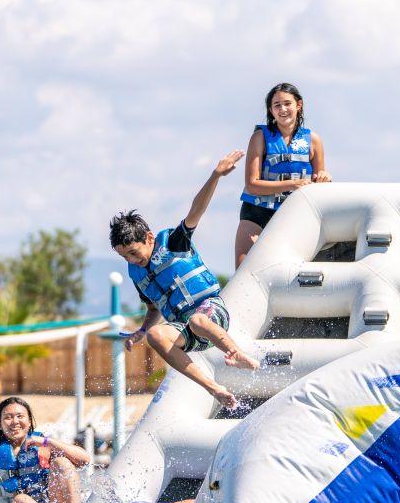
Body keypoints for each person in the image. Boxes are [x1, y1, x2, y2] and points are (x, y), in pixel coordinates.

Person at [110, 150, 259, 410]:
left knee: (198, 319)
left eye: (133, 253)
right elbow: (153, 308)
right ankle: (214, 389)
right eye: (125, 258)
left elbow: (196, 209)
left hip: (212, 314)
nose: (132, 261)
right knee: (157, 336)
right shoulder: (137, 273)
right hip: (187, 329)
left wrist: (216, 175)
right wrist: (141, 332)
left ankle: (235, 352)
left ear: (149, 238)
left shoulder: (174, 243)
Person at [235, 82, 331, 269]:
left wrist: (324, 178)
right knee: (244, 270)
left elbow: (319, 184)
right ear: (271, 110)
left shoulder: (313, 140)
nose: (283, 109)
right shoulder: (259, 137)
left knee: (293, 270)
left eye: (287, 103)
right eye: (277, 105)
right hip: (257, 212)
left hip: (294, 212)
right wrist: (291, 184)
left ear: (299, 105)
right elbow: (252, 184)